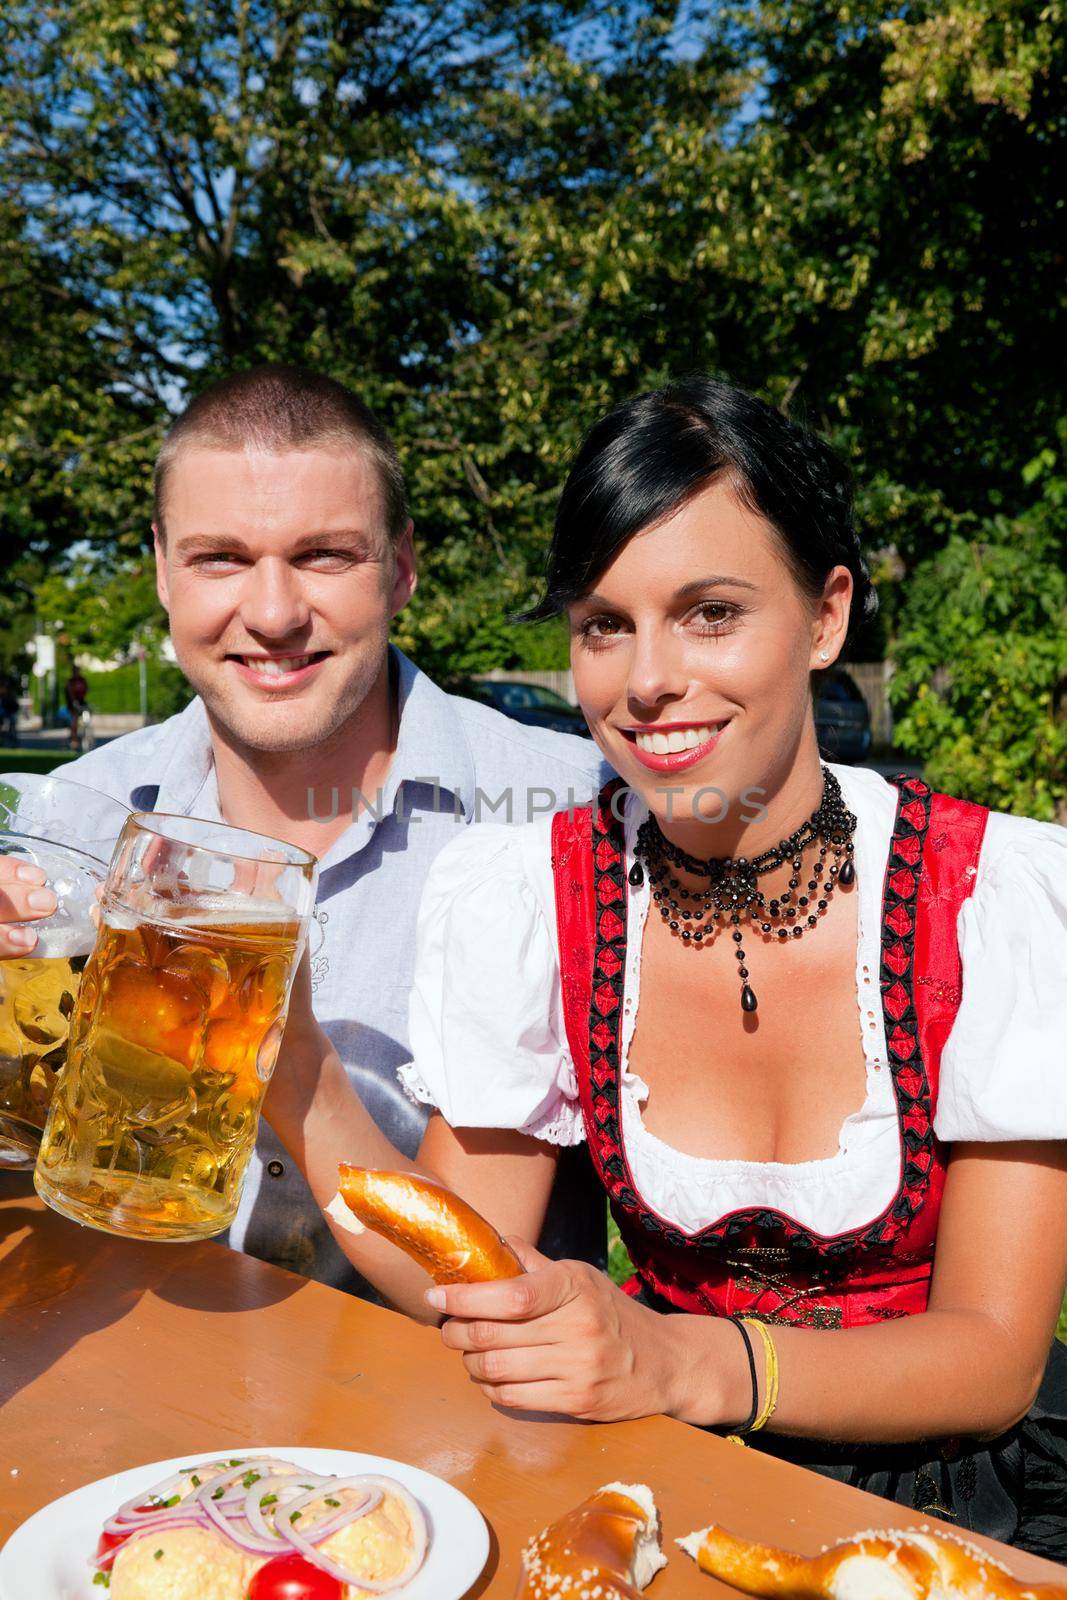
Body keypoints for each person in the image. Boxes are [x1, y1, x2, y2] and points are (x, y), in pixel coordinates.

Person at [262, 375, 1067, 1552]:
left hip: (954, 1498)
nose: (644, 681)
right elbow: (464, 1261)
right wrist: (291, 1064)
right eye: (603, 624)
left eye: (709, 612)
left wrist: (679, 1357)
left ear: (826, 614)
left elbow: (990, 1353)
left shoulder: (992, 894)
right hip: (657, 1485)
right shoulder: (528, 897)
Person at [0, 363, 610, 1290]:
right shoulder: (81, 820)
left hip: (452, 1419)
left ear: (402, 566)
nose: (276, 613)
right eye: (221, 559)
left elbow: (494, 1285)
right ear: (163, 568)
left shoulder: (569, 818)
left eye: (324, 554)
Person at [63, 667, 90, 751]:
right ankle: (74, 740)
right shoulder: (70, 681)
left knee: (88, 712)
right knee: (74, 720)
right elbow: (69, 693)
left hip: (82, 701)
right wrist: (73, 702)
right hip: (72, 703)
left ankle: (87, 731)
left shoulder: (82, 680)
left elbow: (87, 688)